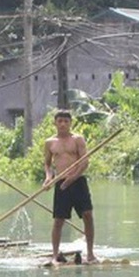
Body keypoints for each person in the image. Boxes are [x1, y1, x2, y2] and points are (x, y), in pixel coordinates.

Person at [43, 110, 96, 264]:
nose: (63, 124)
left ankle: (91, 254)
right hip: (61, 183)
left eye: (66, 121)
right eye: (60, 121)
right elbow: (47, 164)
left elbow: (84, 162)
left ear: (70, 123)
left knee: (87, 215)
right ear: (55, 123)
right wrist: (48, 178)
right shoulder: (50, 142)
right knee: (59, 220)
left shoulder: (77, 139)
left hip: (78, 181)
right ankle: (54, 255)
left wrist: (72, 178)